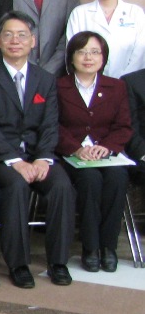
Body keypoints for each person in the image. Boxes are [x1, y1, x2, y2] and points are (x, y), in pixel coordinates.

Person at [0, 11, 74, 287]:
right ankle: (18, 264)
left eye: (21, 35)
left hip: (37, 155)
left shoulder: (45, 79)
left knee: (61, 185)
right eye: (8, 35)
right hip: (0, 157)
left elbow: (50, 124)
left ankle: (58, 262)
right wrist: (15, 161)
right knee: (16, 186)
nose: (15, 41)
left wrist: (43, 159)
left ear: (32, 41)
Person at [57, 31, 132, 274]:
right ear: (71, 57)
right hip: (72, 156)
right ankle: (90, 247)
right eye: (82, 52)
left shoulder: (117, 87)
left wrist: (106, 147)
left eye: (95, 52)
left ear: (103, 57)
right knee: (90, 180)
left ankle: (108, 246)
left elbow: (123, 127)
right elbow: (52, 125)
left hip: (106, 155)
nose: (88, 57)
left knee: (117, 178)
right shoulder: (58, 86)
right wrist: (76, 148)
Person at [65, 0, 145, 79]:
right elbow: (72, 53)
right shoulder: (79, 14)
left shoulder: (135, 13)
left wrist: (124, 82)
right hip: (89, 83)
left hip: (129, 84)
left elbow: (140, 55)